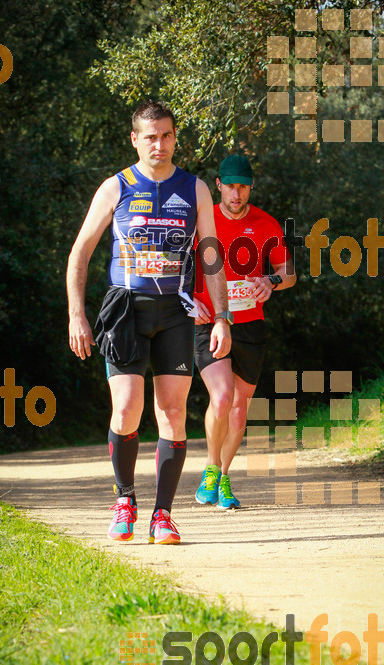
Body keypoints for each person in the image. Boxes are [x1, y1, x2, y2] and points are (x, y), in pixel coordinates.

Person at [67, 100, 231, 544]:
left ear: (175, 138)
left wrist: (222, 317)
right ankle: (124, 500)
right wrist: (76, 315)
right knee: (126, 410)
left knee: (173, 413)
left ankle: (163, 515)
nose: (160, 144)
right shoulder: (115, 187)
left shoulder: (194, 188)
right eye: (151, 136)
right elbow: (80, 252)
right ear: (135, 140)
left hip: (177, 313)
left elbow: (211, 254)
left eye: (167, 135)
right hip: (125, 309)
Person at [193, 154, 295, 509]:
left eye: (244, 187)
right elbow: (179, 270)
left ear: (251, 187)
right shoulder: (201, 222)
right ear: (218, 184)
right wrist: (191, 302)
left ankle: (223, 477)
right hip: (207, 324)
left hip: (250, 325)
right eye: (231, 186)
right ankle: (210, 466)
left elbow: (289, 273)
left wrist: (271, 281)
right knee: (221, 397)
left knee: (239, 409)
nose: (237, 194)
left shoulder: (266, 224)